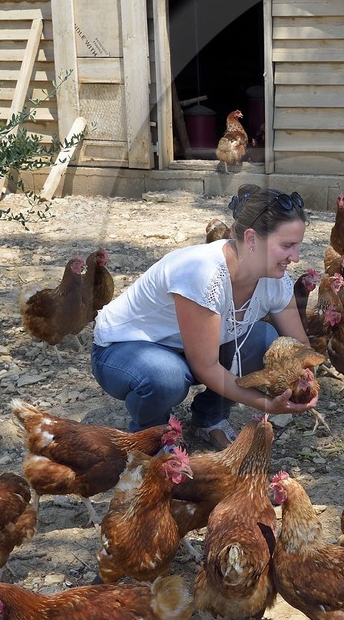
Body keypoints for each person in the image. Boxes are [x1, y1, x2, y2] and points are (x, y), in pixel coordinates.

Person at [90, 185, 318, 446]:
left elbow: (301, 348)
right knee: (166, 376)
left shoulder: (275, 281)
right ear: (253, 239)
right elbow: (206, 367)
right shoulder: (203, 273)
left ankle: (210, 419)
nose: (296, 257)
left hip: (189, 352)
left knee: (264, 338)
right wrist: (268, 404)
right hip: (124, 350)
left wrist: (306, 380)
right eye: (287, 246)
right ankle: (151, 436)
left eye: (297, 246)